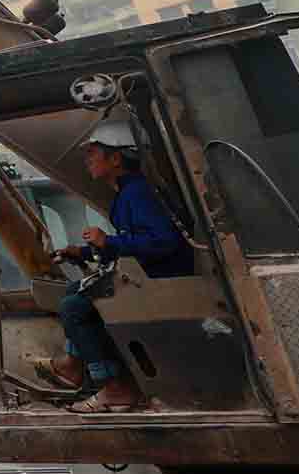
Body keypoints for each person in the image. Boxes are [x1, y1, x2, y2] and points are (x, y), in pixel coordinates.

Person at [39, 120, 194, 413]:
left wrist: (108, 242)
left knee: (74, 307)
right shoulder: (130, 192)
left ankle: (114, 387)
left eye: (94, 153)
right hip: (147, 276)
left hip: (160, 281)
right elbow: (133, 240)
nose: (88, 160)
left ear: (116, 158)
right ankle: (74, 364)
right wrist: (84, 250)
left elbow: (163, 242)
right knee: (76, 291)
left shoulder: (137, 193)